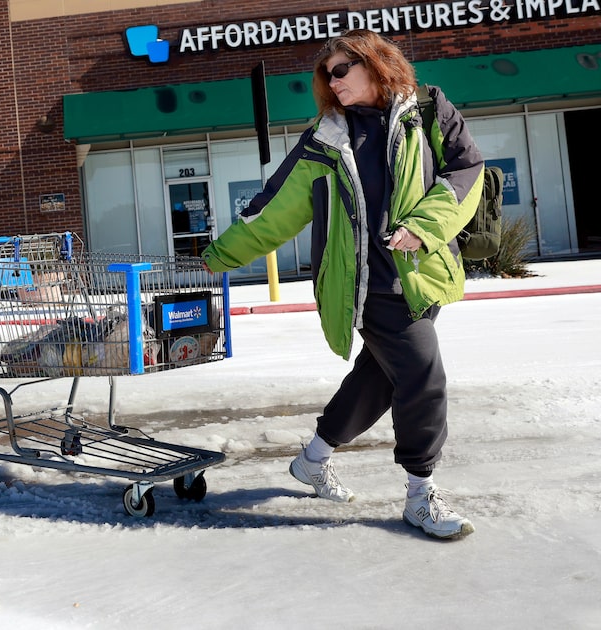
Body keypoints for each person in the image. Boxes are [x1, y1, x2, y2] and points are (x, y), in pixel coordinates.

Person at [200, 30, 484, 539]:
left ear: (375, 65)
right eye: (325, 75)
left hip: (423, 273)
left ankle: (314, 457)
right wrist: (220, 255)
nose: (331, 83)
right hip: (369, 286)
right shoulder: (327, 137)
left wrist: (423, 226)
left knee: (378, 377)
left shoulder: (428, 111)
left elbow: (465, 171)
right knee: (423, 378)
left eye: (340, 71)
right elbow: (276, 206)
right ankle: (421, 493)